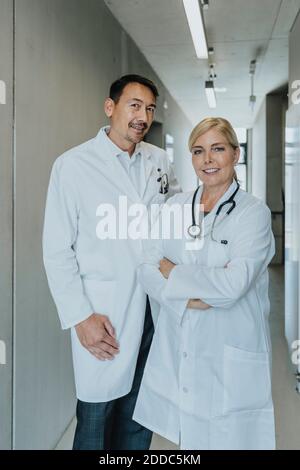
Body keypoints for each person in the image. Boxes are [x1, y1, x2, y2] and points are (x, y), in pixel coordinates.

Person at [43, 74, 180, 450]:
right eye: (134, 105)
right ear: (110, 107)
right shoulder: (72, 166)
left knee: (140, 414)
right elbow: (56, 249)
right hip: (105, 313)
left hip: (152, 307)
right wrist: (80, 317)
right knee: (96, 418)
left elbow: (175, 217)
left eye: (149, 108)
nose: (143, 116)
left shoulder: (159, 161)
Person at [133, 117, 276, 450]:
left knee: (232, 439)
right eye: (198, 151)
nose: (208, 160)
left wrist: (173, 271)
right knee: (190, 445)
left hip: (232, 346)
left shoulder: (252, 214)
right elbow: (145, 268)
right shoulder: (174, 207)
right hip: (182, 347)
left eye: (217, 149)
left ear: (235, 154)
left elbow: (232, 286)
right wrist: (191, 297)